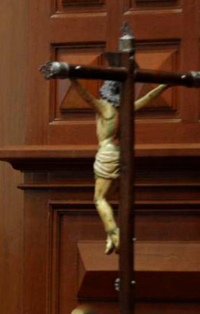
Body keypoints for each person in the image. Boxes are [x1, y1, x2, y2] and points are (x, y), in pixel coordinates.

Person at [70, 78, 169, 254]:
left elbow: (85, 95)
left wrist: (72, 78)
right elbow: (149, 97)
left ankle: (116, 235)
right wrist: (164, 85)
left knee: (99, 199)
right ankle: (111, 237)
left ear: (107, 89)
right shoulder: (125, 108)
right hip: (121, 154)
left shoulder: (104, 107)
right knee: (114, 197)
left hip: (107, 154)